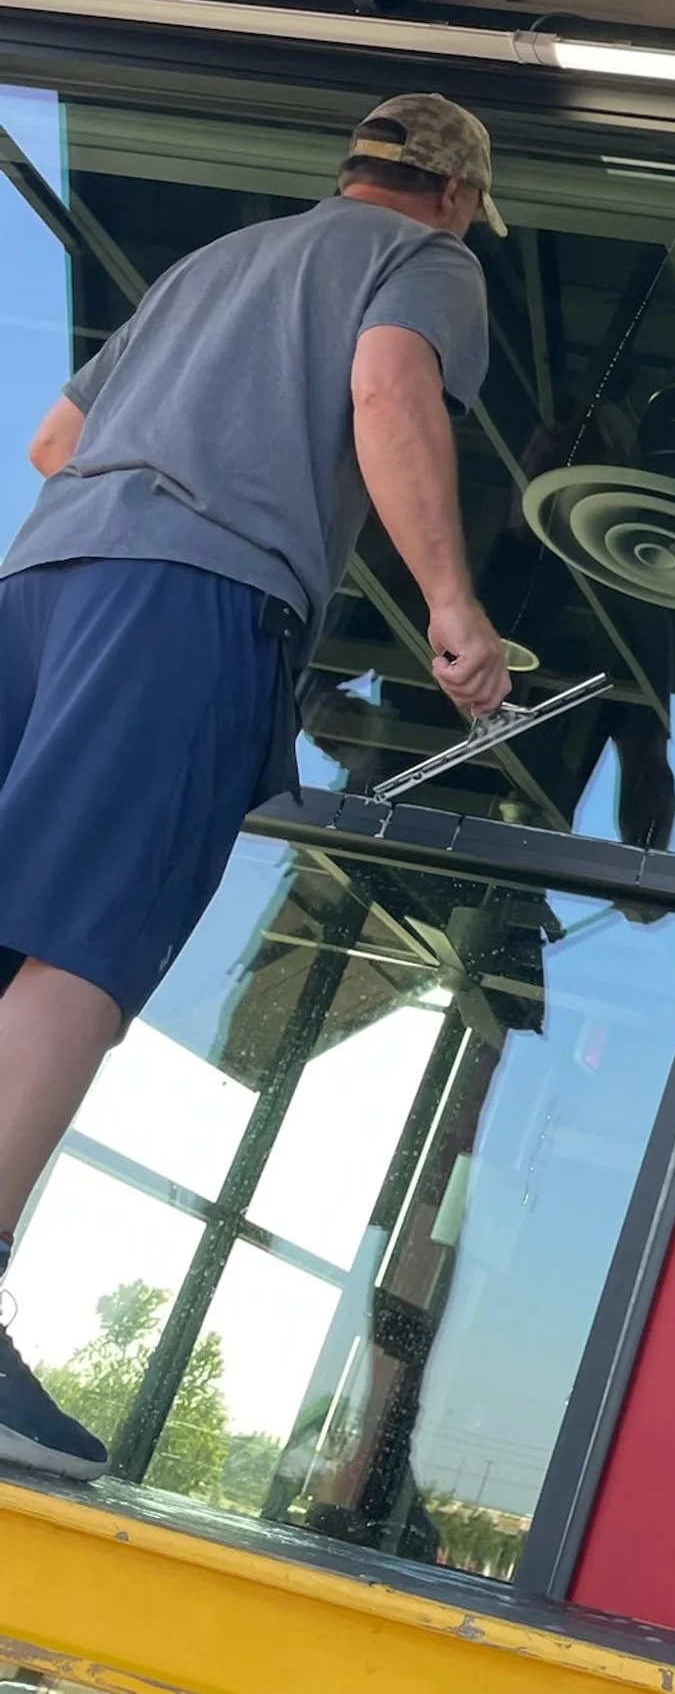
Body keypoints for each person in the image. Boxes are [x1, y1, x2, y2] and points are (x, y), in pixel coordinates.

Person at [0, 93, 513, 1481]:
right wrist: (450, 607)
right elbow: (388, 388)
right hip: (193, 593)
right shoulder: (430, 265)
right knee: (85, 941)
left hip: (42, 578)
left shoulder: (209, 266)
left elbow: (52, 443)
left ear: (352, 169)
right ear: (456, 194)